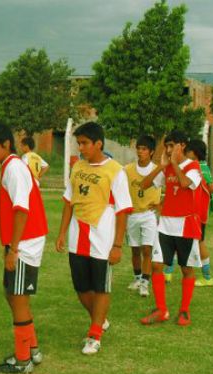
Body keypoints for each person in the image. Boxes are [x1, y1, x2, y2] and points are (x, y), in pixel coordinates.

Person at [56, 122, 132, 355]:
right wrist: (62, 233)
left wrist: (117, 245)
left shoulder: (116, 171)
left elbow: (123, 211)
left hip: (103, 238)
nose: (81, 148)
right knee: (81, 287)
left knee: (100, 286)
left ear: (98, 143)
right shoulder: (77, 167)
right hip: (77, 236)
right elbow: (69, 202)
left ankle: (95, 334)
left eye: (85, 143)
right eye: (78, 143)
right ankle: (99, 319)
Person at [0, 121, 48, 374]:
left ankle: (23, 361)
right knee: (12, 294)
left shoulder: (14, 168)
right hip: (21, 242)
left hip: (26, 243)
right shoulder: (11, 166)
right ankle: (32, 350)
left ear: (6, 144)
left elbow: (21, 210)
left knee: (18, 299)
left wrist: (14, 249)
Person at [139, 130, 202, 326]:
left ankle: (184, 311)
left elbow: (184, 183)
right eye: (166, 146)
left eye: (171, 146)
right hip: (165, 224)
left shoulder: (193, 166)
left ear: (182, 145)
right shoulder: (166, 168)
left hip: (186, 225)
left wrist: (174, 164)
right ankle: (161, 310)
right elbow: (143, 185)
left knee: (186, 269)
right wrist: (161, 166)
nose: (167, 150)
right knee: (157, 266)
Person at [124, 135, 160, 297]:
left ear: (151, 152)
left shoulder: (157, 170)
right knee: (135, 250)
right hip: (132, 215)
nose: (140, 151)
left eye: (144, 149)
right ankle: (137, 278)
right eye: (138, 148)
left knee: (147, 249)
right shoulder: (127, 170)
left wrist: (160, 204)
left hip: (149, 214)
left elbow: (172, 186)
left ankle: (145, 282)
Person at [186, 139, 213, 286]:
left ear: (194, 153)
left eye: (188, 151)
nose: (186, 153)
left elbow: (211, 187)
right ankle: (168, 272)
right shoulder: (201, 166)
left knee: (198, 242)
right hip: (197, 213)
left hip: (197, 214)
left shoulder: (199, 167)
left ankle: (207, 277)